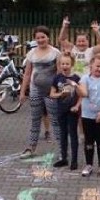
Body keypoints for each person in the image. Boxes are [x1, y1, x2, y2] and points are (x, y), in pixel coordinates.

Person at [18, 25, 61, 159]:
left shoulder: (55, 53)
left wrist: (57, 90)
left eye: (43, 37)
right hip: (35, 90)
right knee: (35, 119)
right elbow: (27, 74)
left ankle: (62, 150)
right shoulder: (31, 54)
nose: (41, 40)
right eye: (38, 38)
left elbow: (59, 73)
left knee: (55, 121)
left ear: (48, 37)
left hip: (51, 92)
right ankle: (31, 147)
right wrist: (22, 92)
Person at [77, 52, 100, 178]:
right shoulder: (85, 79)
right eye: (97, 66)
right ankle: (88, 164)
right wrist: (77, 87)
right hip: (87, 116)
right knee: (89, 140)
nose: (99, 69)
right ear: (91, 66)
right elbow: (84, 93)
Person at [50, 53, 81, 170]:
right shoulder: (57, 78)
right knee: (63, 134)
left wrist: (77, 106)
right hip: (61, 110)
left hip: (72, 111)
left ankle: (74, 160)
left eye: (67, 63)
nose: (65, 66)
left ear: (72, 64)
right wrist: (60, 94)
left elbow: (81, 95)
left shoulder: (76, 78)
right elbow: (52, 94)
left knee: (73, 134)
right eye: (62, 63)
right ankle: (64, 158)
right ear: (59, 65)